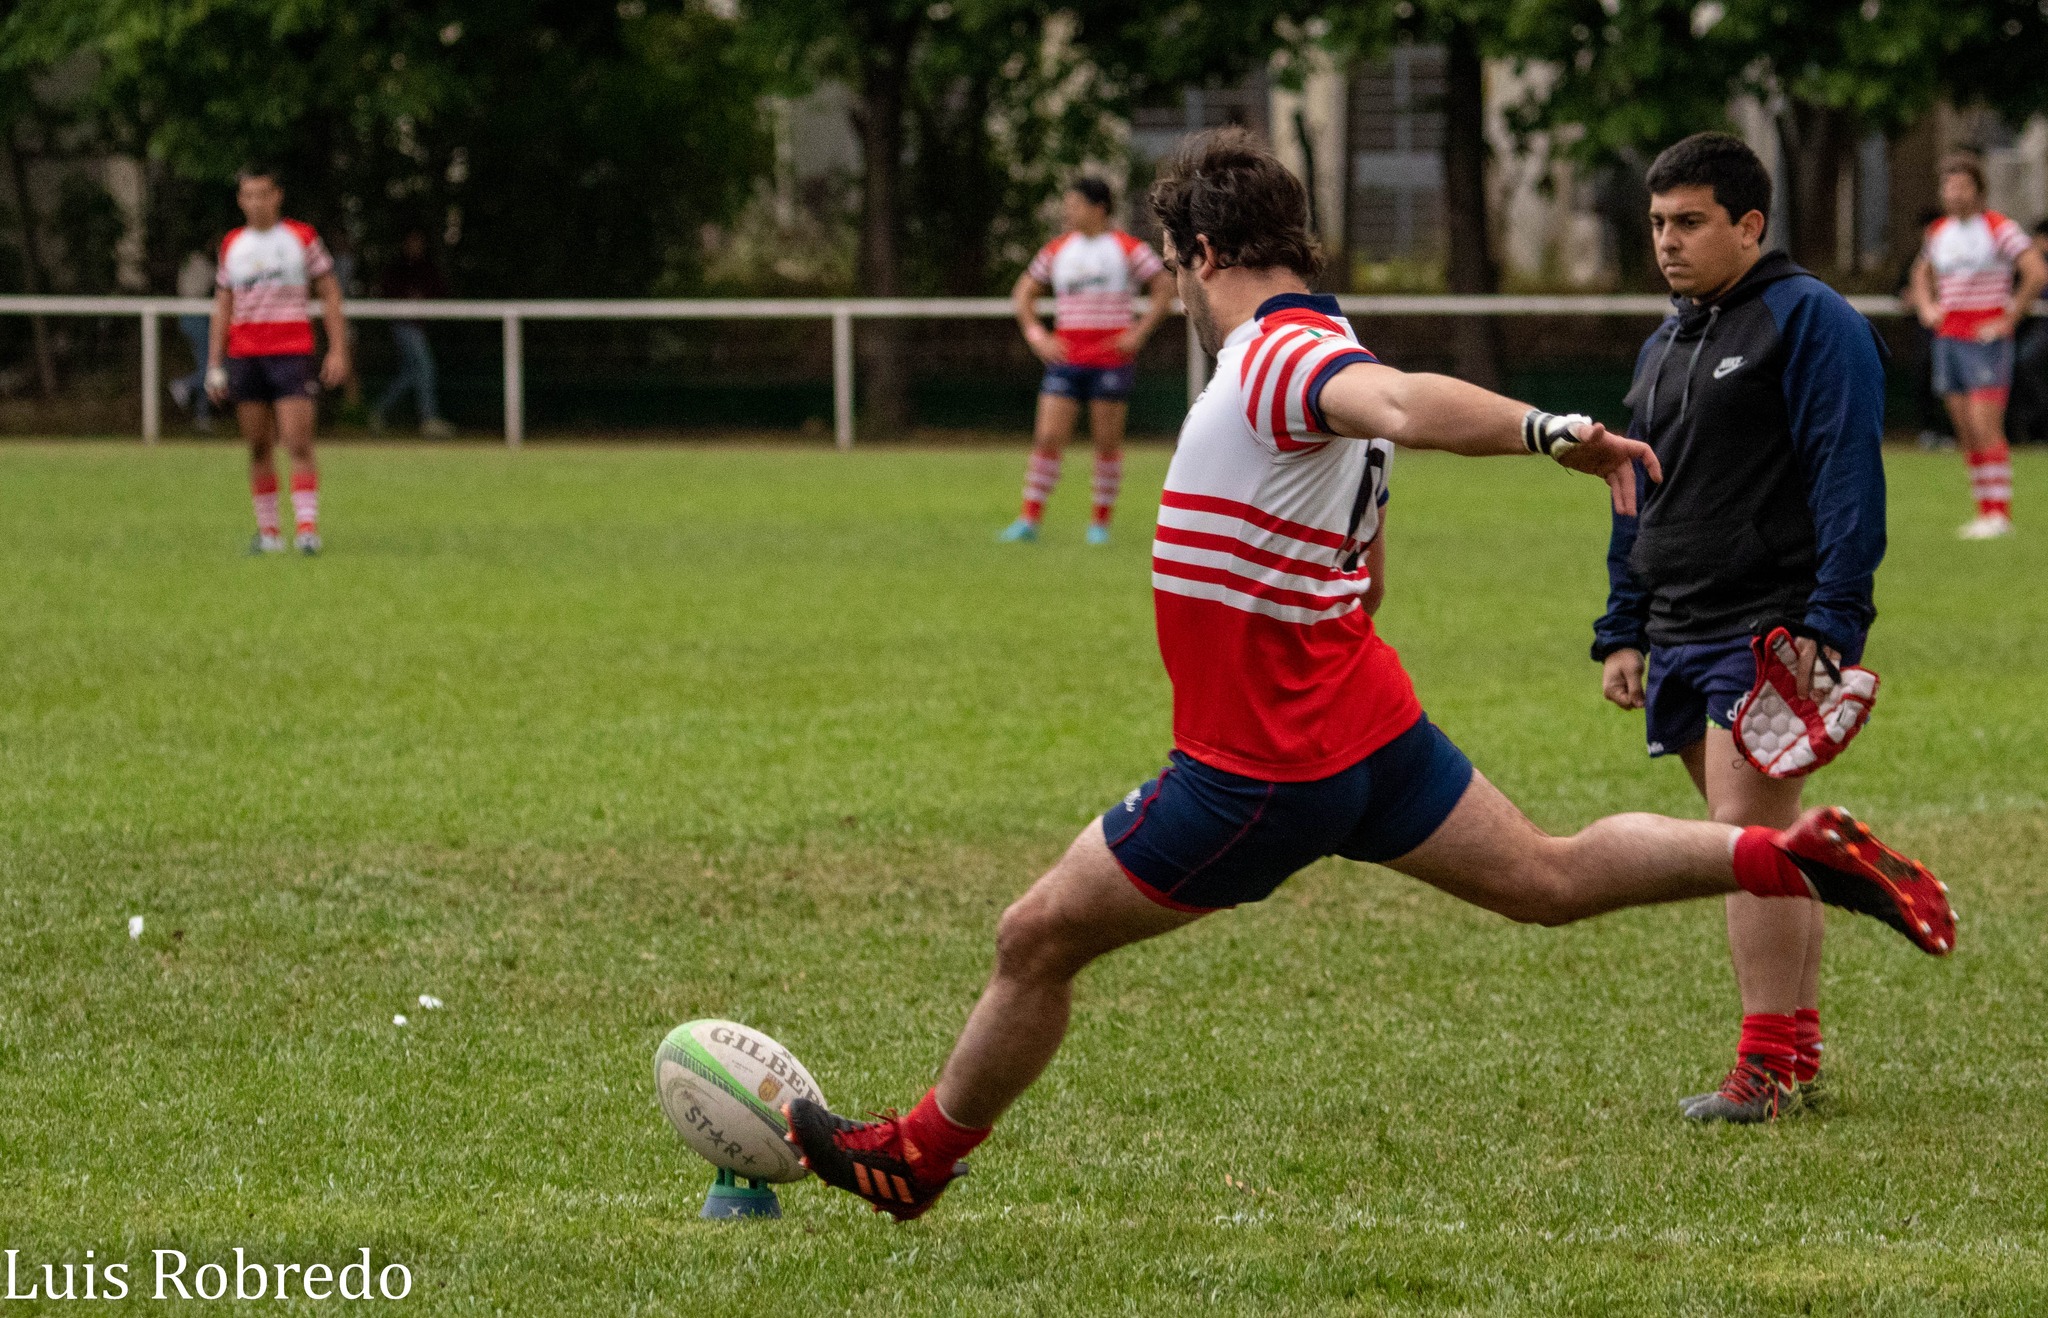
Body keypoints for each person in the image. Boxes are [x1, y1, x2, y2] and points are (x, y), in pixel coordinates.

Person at [784, 129, 1954, 1221]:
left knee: (1032, 936)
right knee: (1544, 877)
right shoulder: (1322, 350)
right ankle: (1782, 851)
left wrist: (1550, 431)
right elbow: (1369, 576)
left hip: (1255, 767)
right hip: (1367, 733)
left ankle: (918, 1158)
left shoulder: (1282, 353)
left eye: (1176, 271)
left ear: (1198, 255)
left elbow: (1398, 401)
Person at [1592, 133, 1889, 1123]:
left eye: (1689, 222)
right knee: (1761, 842)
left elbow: (1846, 475)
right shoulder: (1663, 340)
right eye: (1655, 224)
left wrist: (1832, 619)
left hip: (1762, 625)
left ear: (1747, 224)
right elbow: (1632, 493)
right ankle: (1793, 1054)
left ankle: (1760, 1068)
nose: (1666, 243)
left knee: (1740, 842)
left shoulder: (1811, 322)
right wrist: (1622, 627)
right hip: (1674, 625)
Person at [999, 177, 1173, 545]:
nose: (1067, 211)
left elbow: (1164, 287)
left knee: (1106, 443)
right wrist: (1038, 337)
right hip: (1066, 360)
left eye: (1074, 204)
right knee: (1047, 437)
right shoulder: (1058, 249)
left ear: (1099, 208)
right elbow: (1023, 293)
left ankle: (1100, 524)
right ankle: (1028, 519)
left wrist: (1139, 333)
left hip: (1111, 361)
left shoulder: (1127, 248)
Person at [1905, 153, 2048, 538]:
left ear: (1978, 190)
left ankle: (1999, 513)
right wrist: (1926, 306)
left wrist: (2010, 317)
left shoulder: (1998, 227)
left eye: (1961, 186)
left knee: (1986, 425)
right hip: (1949, 335)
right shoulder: (1938, 232)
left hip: (1984, 337)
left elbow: (2035, 270)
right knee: (1965, 428)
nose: (1953, 194)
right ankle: (1984, 509)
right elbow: (1921, 272)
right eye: (1948, 186)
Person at [207, 166, 348, 555]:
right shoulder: (232, 244)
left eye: (263, 194)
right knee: (257, 445)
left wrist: (338, 348)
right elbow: (223, 305)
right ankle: (268, 533)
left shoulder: (301, 238)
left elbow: (330, 293)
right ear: (240, 199)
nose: (256, 202)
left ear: (277, 196)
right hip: (246, 356)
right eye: (248, 195)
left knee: (298, 440)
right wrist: (214, 365)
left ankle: (306, 530)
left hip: (291, 353)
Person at [371, 230, 454, 438]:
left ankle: (378, 411)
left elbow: (440, 290)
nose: (415, 246)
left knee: (411, 373)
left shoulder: (426, 266)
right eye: (412, 242)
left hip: (419, 325)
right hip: (403, 324)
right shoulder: (397, 267)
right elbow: (386, 291)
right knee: (426, 368)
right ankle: (429, 419)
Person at [167, 250, 217, 433]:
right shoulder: (201, 263)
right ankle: (185, 384)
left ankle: (202, 417)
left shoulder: (191, 260)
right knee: (212, 367)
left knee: (205, 365)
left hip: (192, 316)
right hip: (195, 317)